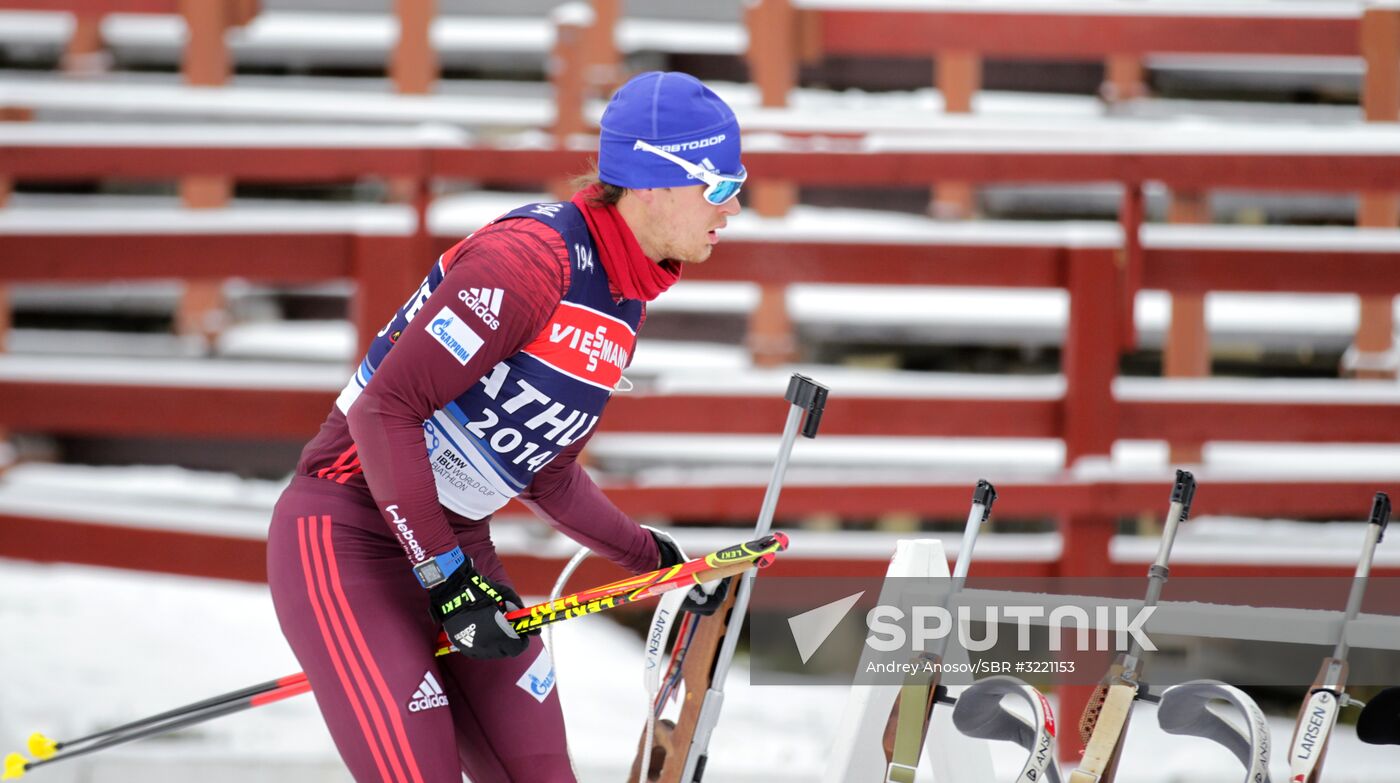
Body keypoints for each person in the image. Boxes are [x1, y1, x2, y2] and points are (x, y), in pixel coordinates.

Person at [265, 70, 746, 783]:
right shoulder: (527, 262)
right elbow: (385, 410)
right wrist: (446, 579)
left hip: (456, 550)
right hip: (348, 540)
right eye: (718, 185)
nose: (732, 207)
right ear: (651, 182)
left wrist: (651, 558)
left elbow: (543, 469)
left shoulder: (621, 298)